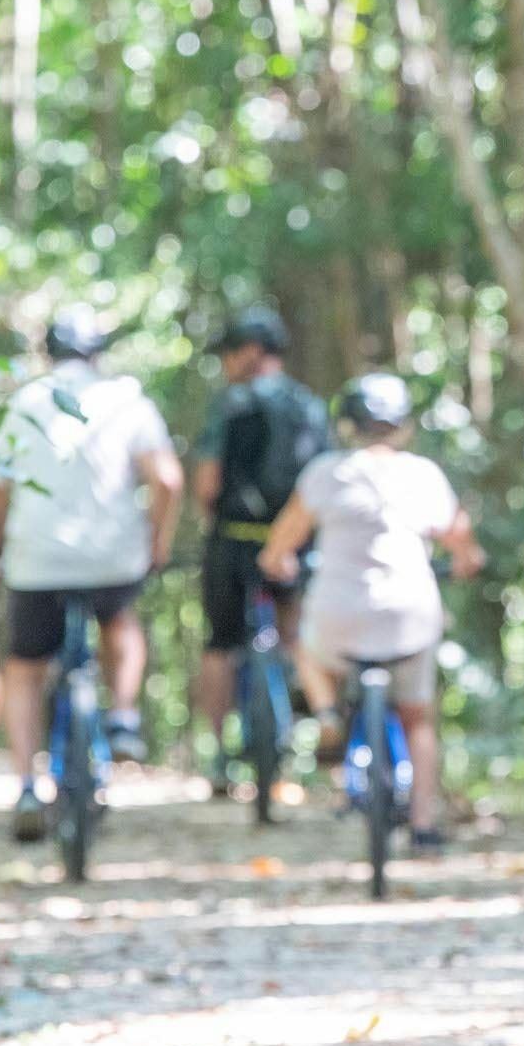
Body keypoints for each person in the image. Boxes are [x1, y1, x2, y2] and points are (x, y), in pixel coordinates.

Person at [0, 307, 181, 841]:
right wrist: (158, 541)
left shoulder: (26, 404)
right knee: (120, 621)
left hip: (37, 562)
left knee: (24, 670)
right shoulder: (129, 402)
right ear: (98, 353)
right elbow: (169, 480)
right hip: (112, 558)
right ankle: (124, 716)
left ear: (47, 354)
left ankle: (24, 785)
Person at [257, 373, 484, 849]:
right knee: (418, 719)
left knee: (305, 648)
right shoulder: (424, 475)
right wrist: (465, 562)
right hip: (408, 618)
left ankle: (327, 715)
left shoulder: (325, 473)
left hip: (339, 617)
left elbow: (280, 545)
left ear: (348, 426)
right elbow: (461, 543)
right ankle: (423, 828)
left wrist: (279, 562)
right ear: (401, 427)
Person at [192, 306, 334, 791]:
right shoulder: (309, 406)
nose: (228, 365)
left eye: (231, 353)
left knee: (220, 645)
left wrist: (211, 513)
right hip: (294, 545)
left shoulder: (230, 405)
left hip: (233, 542)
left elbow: (208, 482)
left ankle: (218, 758)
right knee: (294, 637)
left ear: (251, 352)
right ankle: (300, 725)